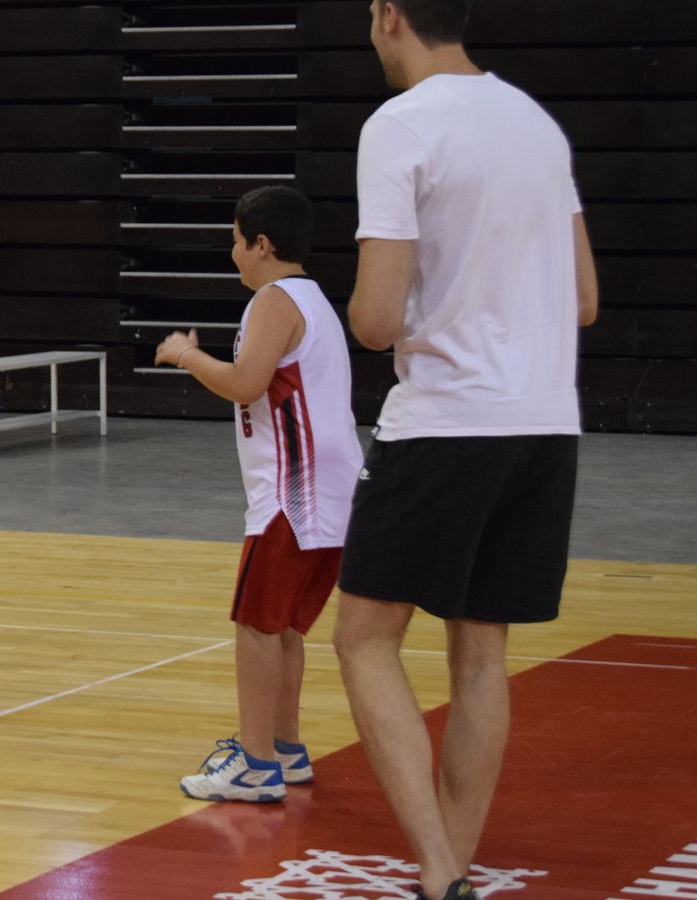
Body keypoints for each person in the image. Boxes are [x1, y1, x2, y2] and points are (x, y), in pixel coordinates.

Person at [332, 3, 599, 899]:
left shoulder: (400, 124)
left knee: (365, 640)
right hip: (545, 421)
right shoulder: (534, 121)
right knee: (481, 651)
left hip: (449, 420)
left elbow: (373, 320)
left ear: (388, 16)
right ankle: (450, 872)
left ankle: (442, 866)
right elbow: (585, 298)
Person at [156, 186, 363, 803]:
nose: (233, 252)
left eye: (236, 240)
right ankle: (285, 749)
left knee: (254, 624)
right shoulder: (314, 299)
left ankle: (253, 765)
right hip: (333, 495)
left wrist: (187, 355)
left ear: (262, 244)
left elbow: (247, 384)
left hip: (293, 495)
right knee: (282, 628)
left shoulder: (275, 300)